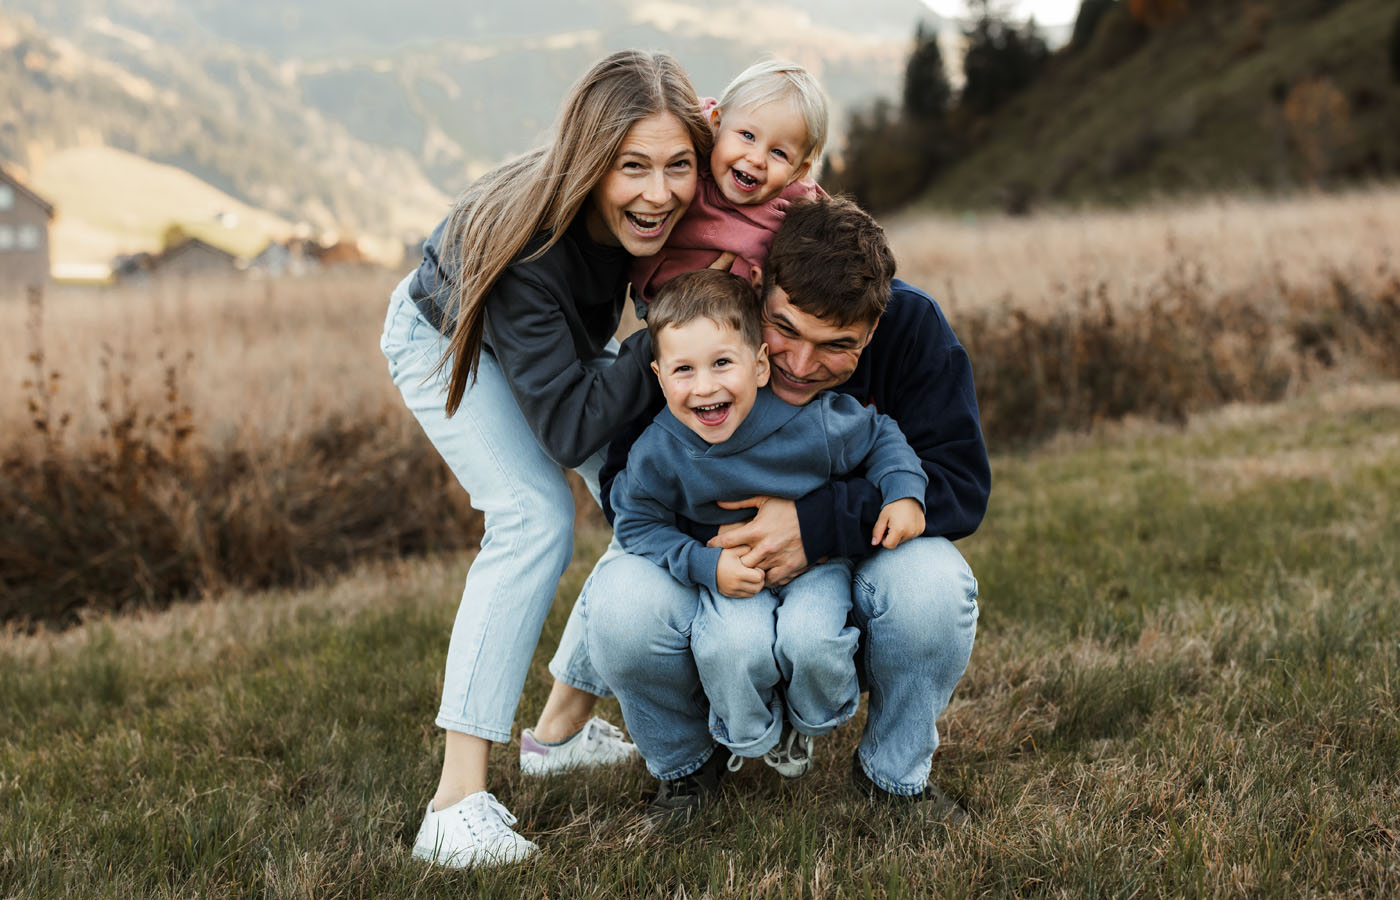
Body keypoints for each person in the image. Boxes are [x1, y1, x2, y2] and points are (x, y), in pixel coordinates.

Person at [378, 50, 710, 867]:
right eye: (632, 167)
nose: (658, 193)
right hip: (448, 339)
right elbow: (565, 426)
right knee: (533, 515)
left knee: (646, 491)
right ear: (590, 161)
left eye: (678, 166)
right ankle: (454, 807)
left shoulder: (670, 211)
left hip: (553, 353)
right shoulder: (532, 247)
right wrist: (661, 346)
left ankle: (558, 729)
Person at [586, 197, 991, 824]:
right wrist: (716, 551)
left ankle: (894, 777)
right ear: (760, 289)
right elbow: (623, 482)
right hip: (714, 563)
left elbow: (959, 483)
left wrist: (816, 524)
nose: (801, 366)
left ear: (874, 328)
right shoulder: (704, 330)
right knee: (618, 608)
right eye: (787, 329)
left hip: (851, 565)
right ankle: (688, 770)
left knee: (934, 587)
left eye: (837, 345)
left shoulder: (913, 327)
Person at [610, 268, 928, 779]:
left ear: (759, 365)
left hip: (817, 567)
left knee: (814, 641)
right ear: (659, 375)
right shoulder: (658, 451)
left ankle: (807, 722)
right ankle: (749, 736)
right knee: (732, 650)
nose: (705, 387)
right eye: (683, 370)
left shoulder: (814, 421)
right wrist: (705, 565)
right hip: (730, 576)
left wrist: (903, 491)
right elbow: (637, 523)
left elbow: (881, 436)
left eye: (721, 364)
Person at [629, 59, 828, 305]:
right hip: (648, 282)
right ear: (716, 125)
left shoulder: (792, 215)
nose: (757, 159)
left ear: (798, 171)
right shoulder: (687, 142)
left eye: (779, 153)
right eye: (747, 136)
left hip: (719, 310)